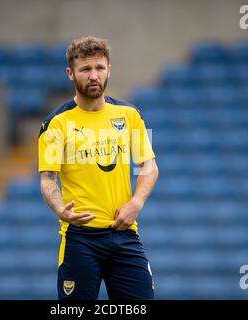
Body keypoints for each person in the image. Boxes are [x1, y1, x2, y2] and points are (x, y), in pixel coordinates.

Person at [38, 36, 159, 300]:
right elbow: (48, 179)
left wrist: (136, 203)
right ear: (71, 73)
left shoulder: (130, 115)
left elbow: (149, 166)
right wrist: (60, 209)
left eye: (99, 68)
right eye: (85, 69)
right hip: (80, 239)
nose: (94, 76)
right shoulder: (54, 124)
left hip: (125, 233)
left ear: (109, 70)